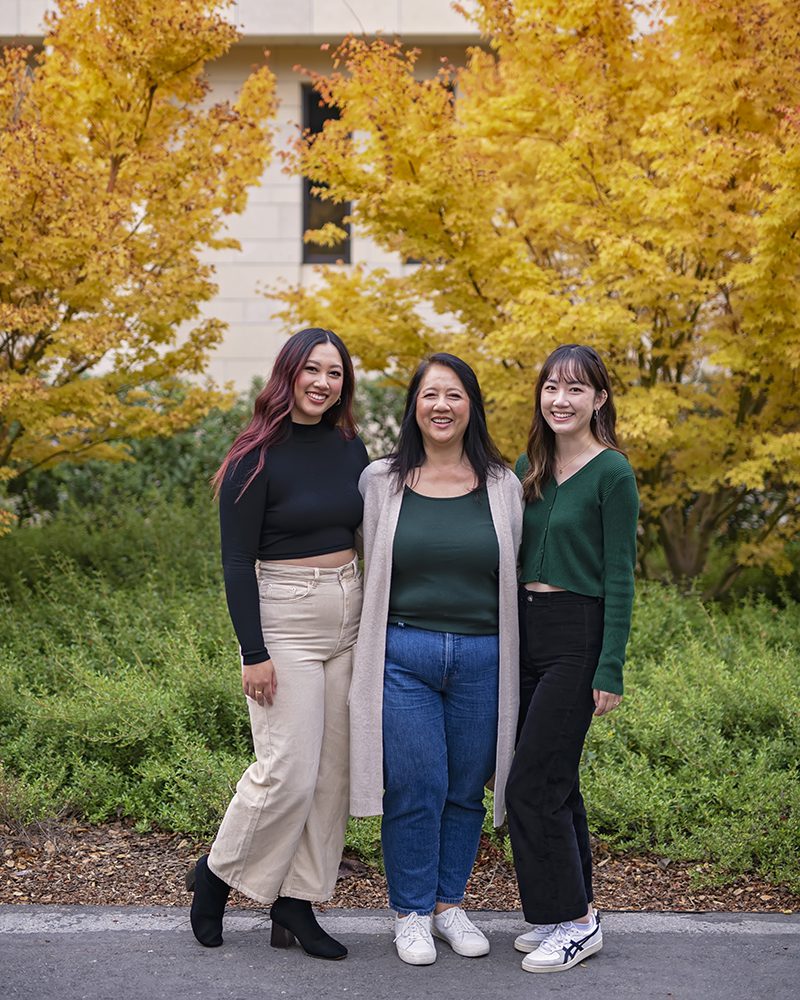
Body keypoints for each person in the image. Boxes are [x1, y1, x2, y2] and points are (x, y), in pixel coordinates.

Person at [186, 328, 369, 960]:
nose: (323, 382)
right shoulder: (252, 456)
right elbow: (236, 563)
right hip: (284, 617)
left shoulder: (351, 445)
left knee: (332, 774)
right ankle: (214, 875)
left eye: (335, 373)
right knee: (286, 771)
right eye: (312, 370)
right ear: (287, 372)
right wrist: (252, 652)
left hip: (349, 610)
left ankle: (297, 903)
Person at [348, 353, 522, 966]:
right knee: (415, 785)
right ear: (413, 407)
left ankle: (450, 905)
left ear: (471, 405)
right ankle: (411, 913)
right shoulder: (380, 481)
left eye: (454, 395)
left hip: (484, 657)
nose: (441, 406)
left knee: (464, 790)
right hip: (404, 654)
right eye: (429, 395)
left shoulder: (504, 485)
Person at [505, 343, 639, 974]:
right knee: (559, 781)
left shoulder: (613, 472)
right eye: (552, 387)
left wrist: (608, 668)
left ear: (598, 399)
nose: (561, 399)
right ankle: (570, 911)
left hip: (577, 634)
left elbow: (620, 577)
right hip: (525, 633)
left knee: (531, 785)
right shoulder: (528, 467)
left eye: (576, 389)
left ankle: (577, 925)